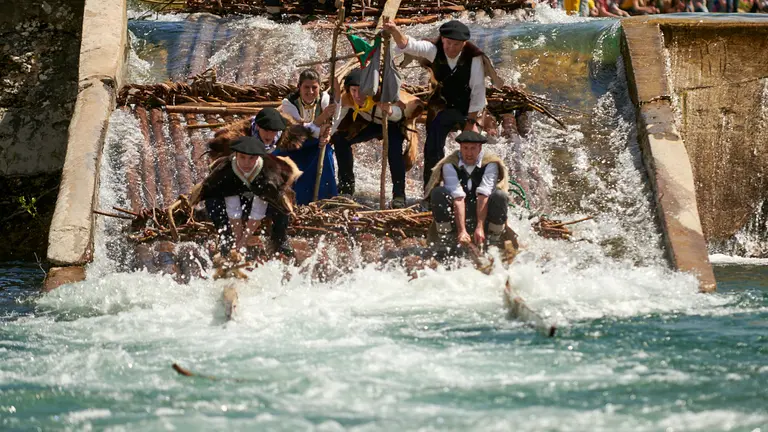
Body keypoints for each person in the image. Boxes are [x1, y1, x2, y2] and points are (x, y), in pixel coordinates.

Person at [383, 19, 500, 190]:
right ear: (442, 40)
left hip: (471, 109)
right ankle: (432, 189)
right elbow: (408, 44)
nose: (450, 48)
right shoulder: (434, 50)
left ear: (464, 44)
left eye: (456, 45)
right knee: (432, 145)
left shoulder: (474, 58)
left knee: (472, 145)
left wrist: (471, 123)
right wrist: (394, 30)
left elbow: (478, 93)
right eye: (448, 43)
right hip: (445, 105)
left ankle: (475, 189)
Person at [198, 135, 301, 259]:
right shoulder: (226, 170)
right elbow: (233, 209)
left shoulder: (267, 174)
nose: (246, 163)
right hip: (238, 202)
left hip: (266, 203)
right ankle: (225, 236)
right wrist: (237, 239)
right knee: (212, 199)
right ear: (236, 155)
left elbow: (258, 211)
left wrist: (244, 240)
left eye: (251, 158)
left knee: (281, 201)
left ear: (258, 157)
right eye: (242, 157)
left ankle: (280, 237)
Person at [329, 68, 409, 208]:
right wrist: (327, 135)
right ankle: (346, 187)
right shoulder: (347, 99)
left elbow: (400, 114)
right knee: (340, 139)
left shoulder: (380, 96)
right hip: (368, 124)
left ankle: (399, 195)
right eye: (353, 90)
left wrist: (389, 111)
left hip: (391, 124)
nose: (357, 95)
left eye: (361, 90)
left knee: (394, 151)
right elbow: (337, 120)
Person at [425, 131, 510, 251]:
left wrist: (479, 227)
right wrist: (462, 231)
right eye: (465, 148)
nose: (469, 153)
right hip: (458, 213)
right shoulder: (450, 164)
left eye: (473, 148)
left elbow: (483, 195)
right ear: (460, 148)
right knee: (438, 193)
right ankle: (446, 239)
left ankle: (493, 240)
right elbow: (458, 197)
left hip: (484, 214)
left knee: (500, 196)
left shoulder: (491, 163)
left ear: (480, 148)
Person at [277, 69, 338, 205]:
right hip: (293, 145)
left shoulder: (325, 99)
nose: (310, 92)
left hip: (316, 145)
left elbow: (331, 122)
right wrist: (321, 119)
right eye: (306, 87)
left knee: (326, 153)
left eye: (314, 88)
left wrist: (326, 135)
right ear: (299, 87)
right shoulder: (289, 103)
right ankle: (295, 201)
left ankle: (326, 199)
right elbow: (299, 131)